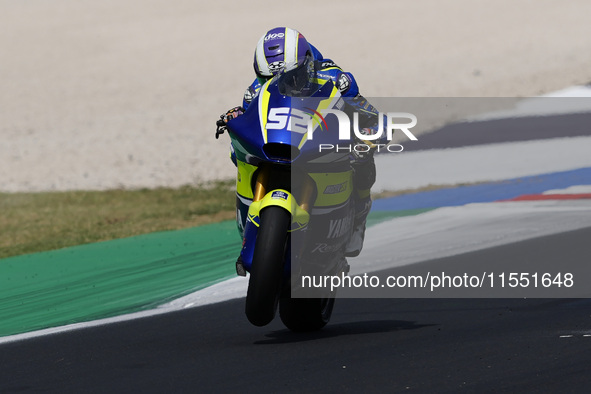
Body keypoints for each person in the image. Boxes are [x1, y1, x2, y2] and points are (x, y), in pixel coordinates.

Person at [218, 27, 384, 257]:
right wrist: (234, 116)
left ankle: (358, 222)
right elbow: (248, 117)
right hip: (281, 144)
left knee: (363, 160)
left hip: (324, 143)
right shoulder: (256, 88)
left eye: (288, 76)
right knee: (235, 153)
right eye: (266, 78)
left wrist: (368, 136)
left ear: (306, 64)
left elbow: (370, 116)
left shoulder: (335, 79)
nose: (275, 83)